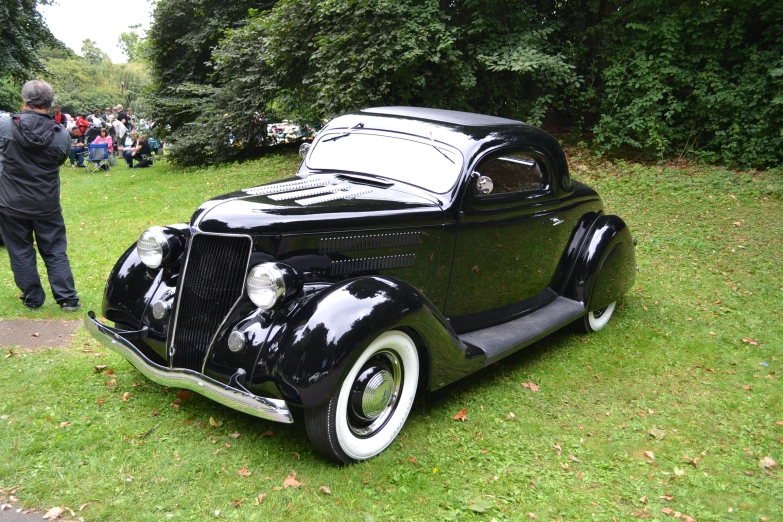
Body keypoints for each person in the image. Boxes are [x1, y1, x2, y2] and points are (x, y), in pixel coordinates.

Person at [0, 80, 81, 311]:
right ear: (50, 103)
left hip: (11, 203)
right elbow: (60, 159)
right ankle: (67, 299)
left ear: (25, 100)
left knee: (20, 250)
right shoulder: (62, 134)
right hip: (45, 202)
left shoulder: (6, 125)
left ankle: (33, 298)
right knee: (55, 249)